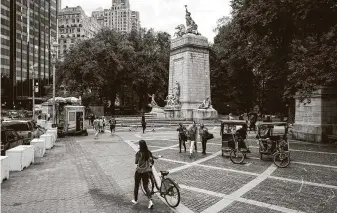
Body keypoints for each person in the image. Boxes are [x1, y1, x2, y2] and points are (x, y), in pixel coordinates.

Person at [132, 140, 157, 209]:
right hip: (146, 172)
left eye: (139, 144)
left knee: (136, 185)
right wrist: (156, 157)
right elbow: (152, 156)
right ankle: (150, 201)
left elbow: (136, 162)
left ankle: (135, 200)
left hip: (139, 171)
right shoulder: (148, 152)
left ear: (140, 146)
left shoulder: (138, 153)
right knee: (146, 187)